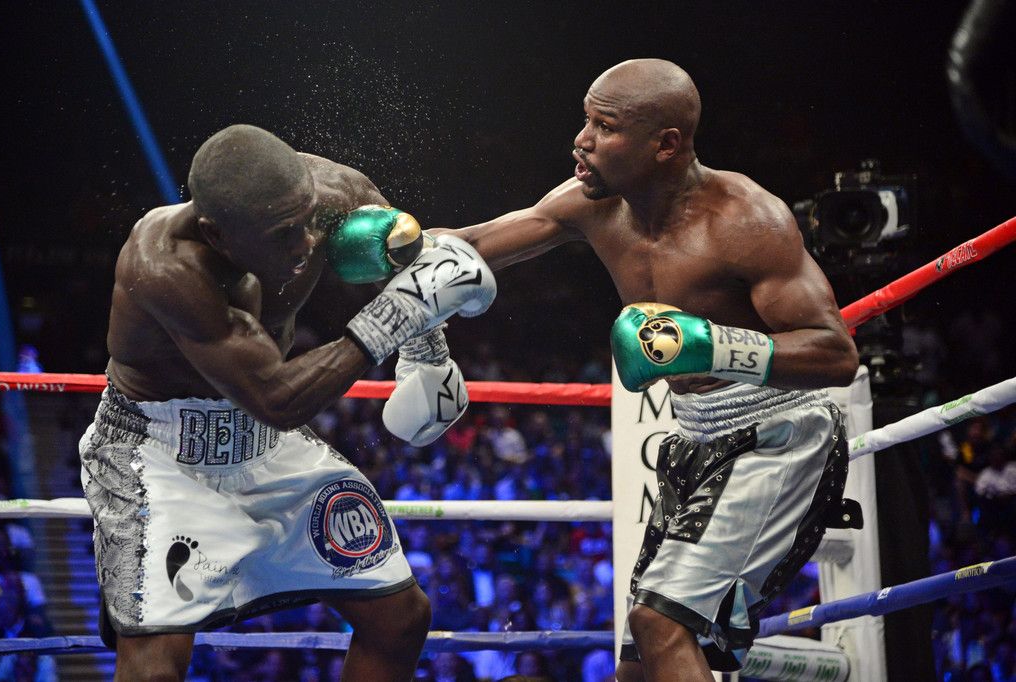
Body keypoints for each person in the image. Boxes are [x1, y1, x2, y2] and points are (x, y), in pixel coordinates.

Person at [441, 59, 859, 680]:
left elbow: (836, 354)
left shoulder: (745, 220)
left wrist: (712, 348)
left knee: (661, 625)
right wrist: (393, 242)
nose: (581, 140)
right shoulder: (591, 204)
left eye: (605, 127)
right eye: (586, 120)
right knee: (638, 663)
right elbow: (472, 246)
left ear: (666, 145)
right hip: (695, 438)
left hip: (780, 438)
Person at [80, 124, 496, 681]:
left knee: (401, 618)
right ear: (218, 234)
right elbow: (276, 398)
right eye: (284, 234)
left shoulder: (330, 193)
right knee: (154, 668)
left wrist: (426, 349)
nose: (306, 243)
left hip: (263, 445)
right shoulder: (165, 265)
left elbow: (398, 250)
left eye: (306, 221)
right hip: (159, 456)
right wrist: (397, 317)